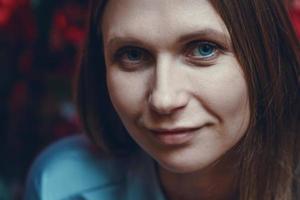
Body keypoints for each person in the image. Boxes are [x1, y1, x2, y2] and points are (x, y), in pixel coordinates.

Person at [25, 0, 300, 199]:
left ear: (268, 58)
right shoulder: (61, 185)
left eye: (204, 49)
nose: (163, 99)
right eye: (132, 54)